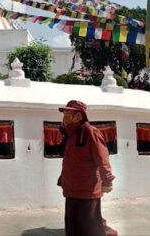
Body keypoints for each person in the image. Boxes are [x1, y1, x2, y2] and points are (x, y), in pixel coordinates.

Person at [57, 100, 116, 236]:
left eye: (67, 114)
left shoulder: (91, 132)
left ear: (78, 116)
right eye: (64, 114)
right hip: (71, 188)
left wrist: (107, 180)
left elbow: (102, 158)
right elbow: (69, 161)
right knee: (72, 226)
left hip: (88, 190)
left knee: (90, 228)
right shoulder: (71, 135)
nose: (64, 117)